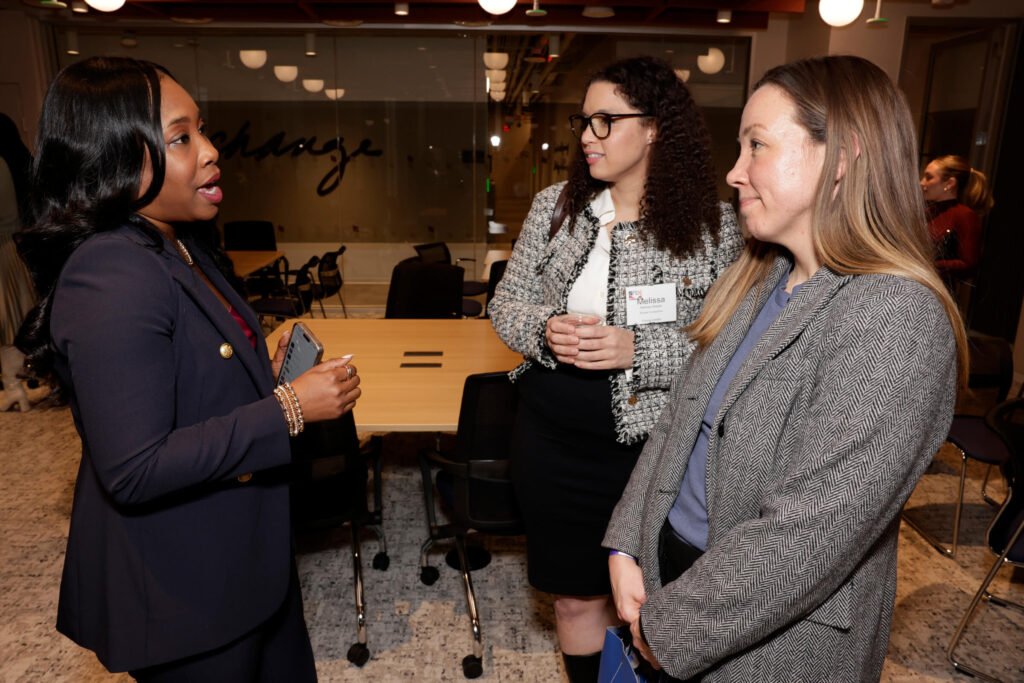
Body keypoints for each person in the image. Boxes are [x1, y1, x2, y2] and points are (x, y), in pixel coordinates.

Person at [604, 55, 968, 681]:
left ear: (843, 156)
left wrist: (668, 628)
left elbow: (810, 532)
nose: (734, 171)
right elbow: (677, 423)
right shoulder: (758, 276)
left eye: (757, 145)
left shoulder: (895, 315)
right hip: (674, 574)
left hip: (773, 636)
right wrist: (626, 544)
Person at [14, 56, 360, 680]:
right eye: (180, 138)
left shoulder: (177, 241)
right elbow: (136, 468)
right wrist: (287, 407)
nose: (210, 150)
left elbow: (190, 376)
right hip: (187, 591)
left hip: (243, 564)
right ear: (116, 158)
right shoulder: (112, 271)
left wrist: (262, 369)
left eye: (201, 129)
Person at [489, 56, 743, 682]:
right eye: (584, 121)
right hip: (551, 440)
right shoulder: (556, 207)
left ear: (654, 128)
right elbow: (506, 304)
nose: (587, 135)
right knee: (574, 599)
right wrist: (543, 330)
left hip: (656, 451)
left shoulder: (716, 228)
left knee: (651, 606)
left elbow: (735, 347)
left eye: (605, 121)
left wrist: (642, 350)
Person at [920, 154, 994, 287]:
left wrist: (927, 265)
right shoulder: (927, 212)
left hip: (937, 290)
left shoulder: (965, 216)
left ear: (950, 184)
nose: (922, 182)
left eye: (929, 177)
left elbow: (969, 265)